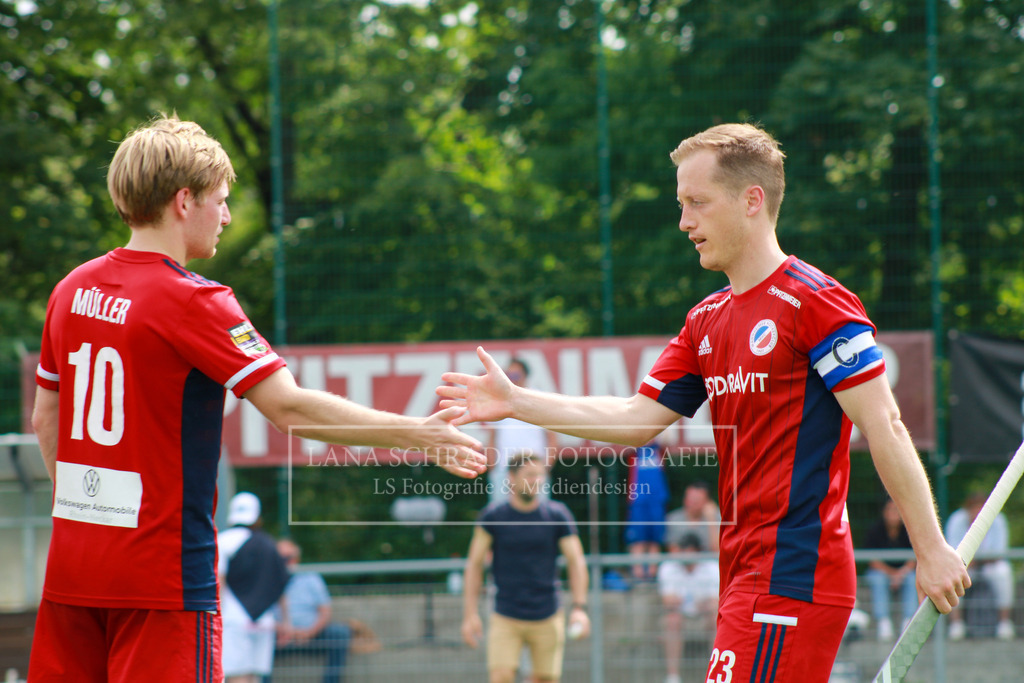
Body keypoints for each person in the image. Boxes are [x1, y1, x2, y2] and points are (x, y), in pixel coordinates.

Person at [438, 122, 970, 682]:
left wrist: (929, 548)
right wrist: (516, 400)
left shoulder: (816, 302)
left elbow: (884, 423)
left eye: (697, 202)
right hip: (741, 574)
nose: (684, 221)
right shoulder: (705, 320)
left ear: (751, 201)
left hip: (792, 573)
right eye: (680, 203)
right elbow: (635, 418)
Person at [28, 114, 486, 682]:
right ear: (183, 200)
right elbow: (288, 407)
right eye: (220, 200)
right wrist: (418, 434)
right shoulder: (194, 300)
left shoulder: (71, 289)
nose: (225, 215)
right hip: (161, 580)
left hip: (74, 570)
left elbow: (46, 416)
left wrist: (89, 518)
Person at [461, 453, 590, 683]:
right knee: (501, 676)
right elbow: (474, 564)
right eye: (530, 475)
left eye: (540, 475)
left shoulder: (557, 515)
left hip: (548, 613)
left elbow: (576, 561)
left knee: (545, 679)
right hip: (505, 614)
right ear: (511, 478)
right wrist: (470, 614)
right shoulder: (492, 517)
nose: (536, 481)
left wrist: (579, 607)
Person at [219, 492, 290, 683]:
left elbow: (220, 581)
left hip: (233, 621)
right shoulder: (270, 545)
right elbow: (280, 585)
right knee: (255, 677)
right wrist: (285, 621)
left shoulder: (222, 541)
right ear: (257, 516)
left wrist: (217, 618)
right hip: (264, 621)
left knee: (236, 675)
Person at [268, 538, 354, 683]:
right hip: (279, 636)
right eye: (280, 558)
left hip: (310, 635)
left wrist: (309, 632)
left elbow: (325, 611)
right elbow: (261, 616)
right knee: (258, 637)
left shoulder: (311, 578)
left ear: (297, 558)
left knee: (340, 633)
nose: (285, 562)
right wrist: (283, 630)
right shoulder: (266, 579)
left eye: (288, 558)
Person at [485, 357, 559, 503]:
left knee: (538, 518)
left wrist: (545, 468)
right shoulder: (498, 401)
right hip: (503, 471)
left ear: (525, 375)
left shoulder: (540, 400)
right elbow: (493, 436)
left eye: (516, 375)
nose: (512, 379)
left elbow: (552, 437)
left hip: (534, 471)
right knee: (501, 519)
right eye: (509, 375)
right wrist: (492, 468)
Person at [945, 491, 1016, 641]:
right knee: (952, 576)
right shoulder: (956, 520)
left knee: (1004, 572)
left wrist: (978, 560)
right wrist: (969, 562)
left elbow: (1000, 552)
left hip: (991, 565)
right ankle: (956, 624)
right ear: (967, 510)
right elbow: (952, 552)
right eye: (974, 509)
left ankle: (1004, 623)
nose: (977, 513)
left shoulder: (998, 519)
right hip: (964, 567)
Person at [658, 533, 719, 683]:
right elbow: (667, 601)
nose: (685, 554)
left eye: (689, 549)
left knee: (716, 619)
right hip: (681, 616)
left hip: (704, 616)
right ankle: (673, 677)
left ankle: (716, 673)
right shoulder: (668, 567)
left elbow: (716, 602)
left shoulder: (711, 567)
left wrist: (703, 604)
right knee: (672, 620)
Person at [863, 497, 918, 641]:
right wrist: (892, 574)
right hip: (882, 573)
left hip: (904, 573)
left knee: (913, 578)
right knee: (878, 579)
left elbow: (916, 557)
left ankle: (908, 621)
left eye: (896, 510)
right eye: (890, 510)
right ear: (884, 512)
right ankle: (883, 622)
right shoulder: (875, 529)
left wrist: (901, 574)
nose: (893, 514)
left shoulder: (909, 530)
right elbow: (871, 560)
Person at [623, 441, 670, 579]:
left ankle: (652, 574)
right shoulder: (634, 451)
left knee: (655, 540)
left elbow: (667, 440)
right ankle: (638, 575)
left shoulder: (659, 449)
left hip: (656, 500)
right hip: (638, 500)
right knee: (637, 540)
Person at [663, 480, 721, 555]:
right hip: (681, 562)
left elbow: (717, 551)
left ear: (707, 501)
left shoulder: (717, 518)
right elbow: (673, 551)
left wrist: (711, 520)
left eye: (696, 500)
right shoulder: (673, 518)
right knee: (667, 566)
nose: (691, 503)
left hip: (707, 562)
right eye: (689, 499)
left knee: (714, 566)